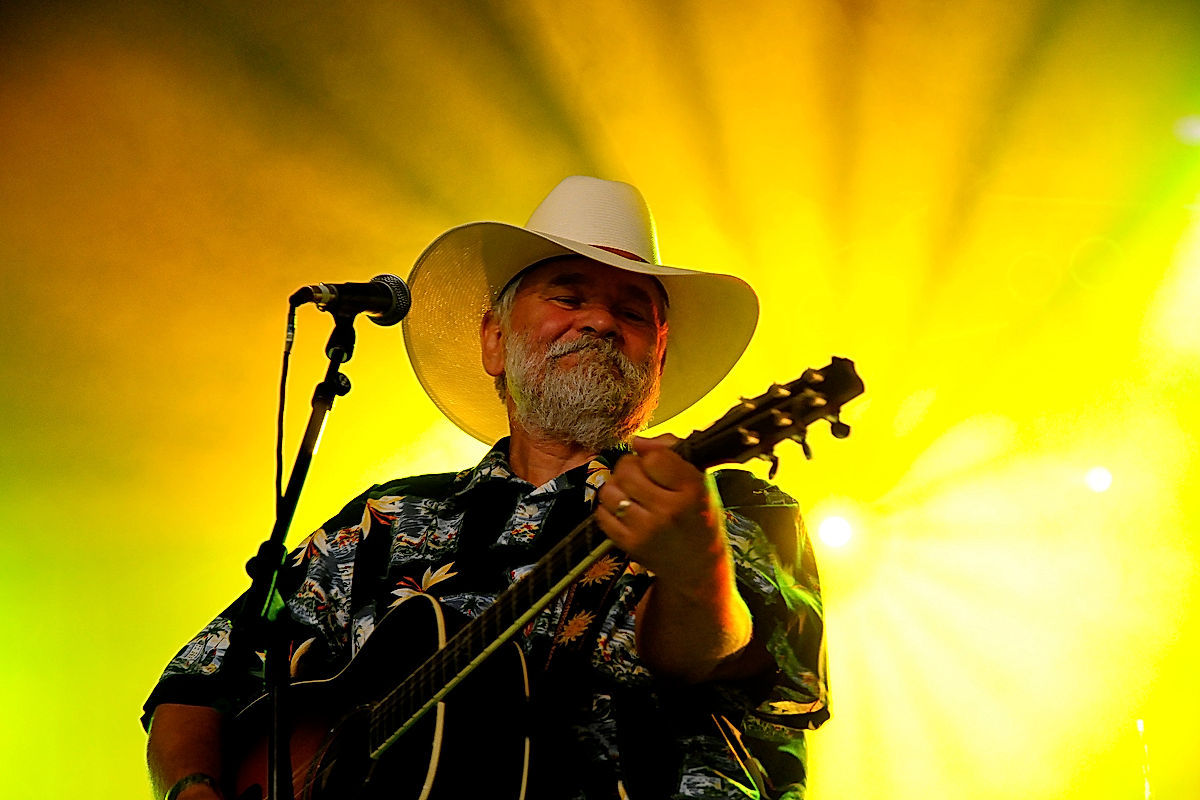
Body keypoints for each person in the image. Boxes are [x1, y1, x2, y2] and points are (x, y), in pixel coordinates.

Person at [143, 176, 829, 800]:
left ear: (658, 357)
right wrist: (194, 789)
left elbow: (721, 657)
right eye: (568, 295)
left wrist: (695, 564)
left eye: (632, 310)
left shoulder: (732, 507)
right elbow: (199, 683)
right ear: (494, 339)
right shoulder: (385, 518)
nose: (598, 320)